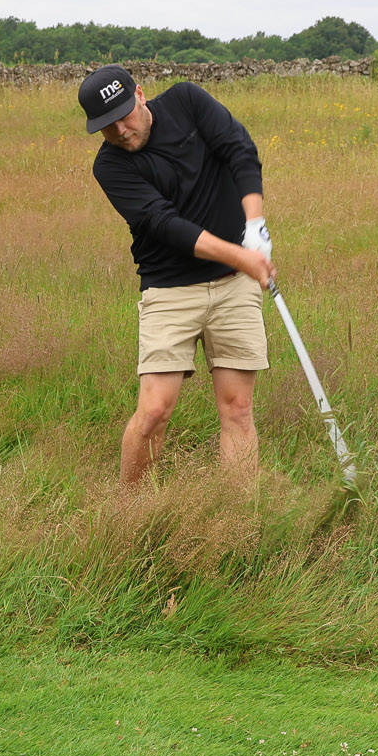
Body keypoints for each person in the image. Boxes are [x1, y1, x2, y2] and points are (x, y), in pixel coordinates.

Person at [80, 64, 273, 486]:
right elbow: (164, 224)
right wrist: (240, 256)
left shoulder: (187, 101)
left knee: (238, 409)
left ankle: (239, 514)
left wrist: (255, 227)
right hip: (169, 289)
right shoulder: (110, 166)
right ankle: (129, 511)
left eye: (125, 116)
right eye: (108, 127)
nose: (121, 131)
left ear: (140, 95)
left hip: (234, 287)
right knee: (154, 412)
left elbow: (239, 149)